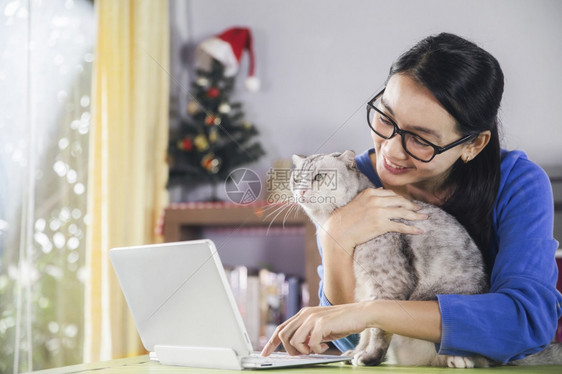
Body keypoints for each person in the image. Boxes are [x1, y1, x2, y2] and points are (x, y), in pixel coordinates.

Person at [261, 32, 562, 364]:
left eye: (420, 139)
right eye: (386, 118)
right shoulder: (346, 181)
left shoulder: (518, 182)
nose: (390, 149)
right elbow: (346, 340)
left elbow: (526, 323)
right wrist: (337, 238)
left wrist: (376, 311)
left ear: (472, 145)